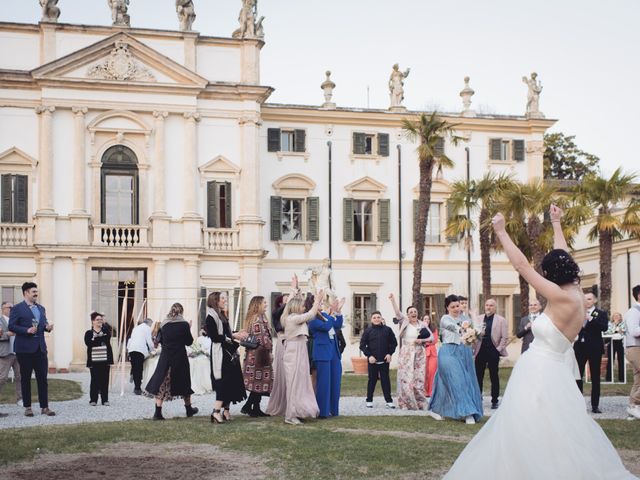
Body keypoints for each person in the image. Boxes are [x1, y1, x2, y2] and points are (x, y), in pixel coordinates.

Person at [443, 205, 636, 478]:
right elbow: (563, 255)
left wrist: (501, 231)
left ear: (551, 275)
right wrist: (556, 223)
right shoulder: (578, 294)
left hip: (539, 372)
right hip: (557, 371)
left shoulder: (560, 296)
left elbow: (522, 266)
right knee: (556, 429)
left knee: (527, 426)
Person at [429, 295, 483, 424]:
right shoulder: (445, 319)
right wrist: (464, 329)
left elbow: (478, 332)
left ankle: (435, 409)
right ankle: (467, 413)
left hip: (464, 352)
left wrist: (474, 316)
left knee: (447, 382)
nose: (456, 309)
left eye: (457, 306)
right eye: (452, 307)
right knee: (458, 381)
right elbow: (453, 327)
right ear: (447, 307)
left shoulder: (466, 318)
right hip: (448, 352)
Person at [144, 303, 198, 420]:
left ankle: (157, 412)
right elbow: (189, 342)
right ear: (181, 312)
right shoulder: (184, 324)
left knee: (162, 383)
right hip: (179, 357)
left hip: (166, 357)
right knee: (184, 382)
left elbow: (161, 341)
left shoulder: (164, 324)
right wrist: (188, 328)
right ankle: (189, 409)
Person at [8, 282, 55, 417]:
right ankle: (28, 407)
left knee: (43, 379)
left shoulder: (41, 308)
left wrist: (47, 327)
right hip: (24, 350)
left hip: (40, 349)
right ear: (26, 293)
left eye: (36, 291)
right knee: (25, 379)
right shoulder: (17, 308)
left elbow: (43, 323)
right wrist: (26, 330)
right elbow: (11, 326)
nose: (36, 293)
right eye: (33, 291)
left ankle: (44, 407)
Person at [281, 289, 323, 425]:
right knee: (294, 383)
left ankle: (298, 411)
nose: (304, 308)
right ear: (295, 307)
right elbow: (311, 315)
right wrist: (317, 300)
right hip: (294, 352)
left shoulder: (293, 318)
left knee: (301, 382)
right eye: (302, 305)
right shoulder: (292, 319)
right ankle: (290, 415)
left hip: (299, 350)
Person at [205, 292, 247, 423]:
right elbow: (215, 337)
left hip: (229, 352)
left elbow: (225, 334)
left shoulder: (222, 315)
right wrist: (231, 338)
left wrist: (235, 335)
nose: (225, 300)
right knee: (223, 382)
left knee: (232, 381)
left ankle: (226, 410)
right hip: (221, 354)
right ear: (215, 301)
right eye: (222, 298)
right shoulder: (211, 317)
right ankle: (216, 412)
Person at [389, 293, 429, 410]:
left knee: (418, 377)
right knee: (406, 377)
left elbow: (431, 337)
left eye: (415, 311)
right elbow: (397, 313)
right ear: (407, 314)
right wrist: (393, 300)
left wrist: (422, 340)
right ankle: (405, 402)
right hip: (407, 352)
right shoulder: (405, 321)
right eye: (411, 312)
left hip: (419, 352)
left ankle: (420, 402)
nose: (413, 313)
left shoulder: (422, 324)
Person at [309, 296, 345, 418]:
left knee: (335, 381)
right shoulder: (312, 318)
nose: (320, 305)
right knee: (324, 383)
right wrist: (331, 313)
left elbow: (337, 325)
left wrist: (338, 312)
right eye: (318, 303)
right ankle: (323, 412)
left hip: (333, 351)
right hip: (322, 352)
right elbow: (326, 327)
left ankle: (334, 410)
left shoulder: (325, 316)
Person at [574, 291, 608, 413]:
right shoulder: (578, 312)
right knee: (577, 376)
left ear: (594, 300)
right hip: (580, 348)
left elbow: (604, 327)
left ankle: (595, 405)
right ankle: (578, 404)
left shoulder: (601, 313)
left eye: (589, 299)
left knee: (595, 377)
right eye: (584, 299)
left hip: (594, 348)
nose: (586, 301)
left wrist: (591, 319)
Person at [241, 296, 273, 417]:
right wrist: (270, 350)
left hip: (255, 354)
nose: (266, 304)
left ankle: (255, 408)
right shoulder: (257, 319)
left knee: (257, 381)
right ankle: (248, 406)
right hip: (259, 355)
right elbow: (262, 338)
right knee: (258, 381)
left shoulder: (257, 317)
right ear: (258, 304)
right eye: (264, 303)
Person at [474, 298, 508, 409]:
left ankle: (494, 400)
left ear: (495, 307)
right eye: (487, 305)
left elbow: (504, 337)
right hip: (480, 350)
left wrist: (498, 350)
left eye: (491, 305)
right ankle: (478, 397)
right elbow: (473, 334)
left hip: (493, 350)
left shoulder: (501, 320)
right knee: (478, 376)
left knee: (494, 376)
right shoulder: (478, 319)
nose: (488, 307)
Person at [359, 310, 397, 408]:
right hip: (372, 361)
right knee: (372, 380)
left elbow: (394, 343)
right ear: (371, 320)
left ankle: (389, 401)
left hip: (385, 360)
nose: (376, 319)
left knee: (385, 380)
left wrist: (390, 354)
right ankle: (369, 400)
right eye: (374, 317)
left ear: (381, 318)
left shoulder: (388, 330)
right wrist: (369, 355)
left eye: (378, 317)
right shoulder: (368, 331)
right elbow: (362, 345)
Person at [84, 312, 114, 406]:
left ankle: (105, 400)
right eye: (97, 319)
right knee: (95, 380)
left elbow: (106, 339)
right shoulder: (88, 333)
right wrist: (99, 339)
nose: (99, 321)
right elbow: (89, 343)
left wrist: (97, 339)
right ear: (93, 321)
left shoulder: (105, 331)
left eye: (101, 319)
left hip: (105, 360)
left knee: (105, 380)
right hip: (94, 361)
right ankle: (93, 400)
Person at [0, 302, 21, 414]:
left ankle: (20, 399)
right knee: (2, 378)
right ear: (3, 309)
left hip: (17, 353)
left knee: (20, 376)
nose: (12, 309)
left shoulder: (16, 321)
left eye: (13, 307)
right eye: (10, 307)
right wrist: (7, 334)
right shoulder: (0, 321)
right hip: (5, 354)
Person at [624, 285, 640, 420]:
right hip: (634, 348)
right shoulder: (634, 311)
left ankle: (632, 409)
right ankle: (634, 405)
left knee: (638, 381)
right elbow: (635, 331)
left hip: (636, 348)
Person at [127, 317, 154, 395]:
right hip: (140, 349)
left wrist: (128, 350)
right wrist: (153, 350)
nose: (151, 326)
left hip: (132, 349)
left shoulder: (135, 328)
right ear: (149, 323)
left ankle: (136, 385)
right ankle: (137, 388)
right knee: (139, 369)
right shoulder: (147, 328)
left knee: (135, 368)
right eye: (151, 324)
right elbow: (149, 341)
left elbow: (130, 339)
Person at [605, 311, 626, 383]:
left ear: (620, 317)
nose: (616, 317)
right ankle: (609, 378)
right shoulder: (609, 324)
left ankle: (622, 378)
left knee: (621, 360)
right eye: (615, 316)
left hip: (620, 342)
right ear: (613, 317)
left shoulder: (623, 323)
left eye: (618, 316)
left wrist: (619, 329)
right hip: (612, 341)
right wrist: (615, 326)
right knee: (610, 360)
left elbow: (624, 331)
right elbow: (607, 332)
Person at [423, 314, 439, 398]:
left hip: (432, 352)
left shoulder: (433, 329)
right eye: (425, 319)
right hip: (424, 352)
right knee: (425, 372)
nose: (426, 320)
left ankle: (431, 391)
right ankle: (424, 391)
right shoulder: (421, 329)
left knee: (432, 371)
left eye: (428, 319)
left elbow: (434, 340)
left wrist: (426, 342)